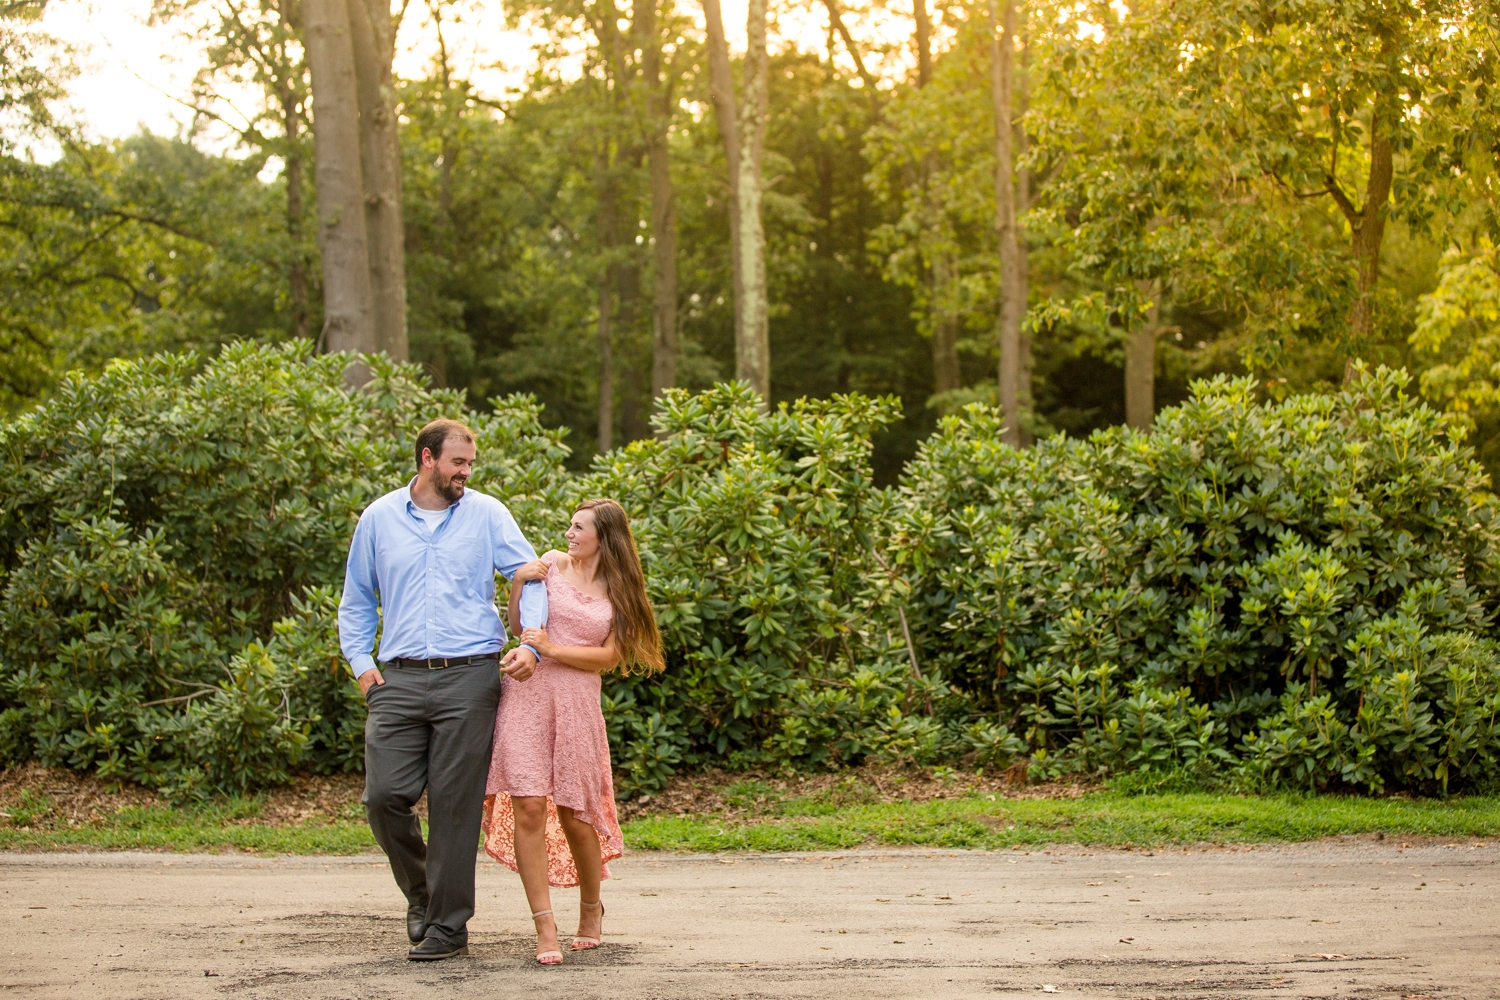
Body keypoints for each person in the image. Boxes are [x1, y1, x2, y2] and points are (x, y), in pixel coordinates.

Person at [339, 418, 548, 962]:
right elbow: (357, 598)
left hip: (470, 677)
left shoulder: (487, 513)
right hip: (398, 678)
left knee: (454, 807)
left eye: (470, 464)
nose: (466, 473)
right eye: (458, 462)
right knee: (384, 798)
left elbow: (531, 575)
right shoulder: (380, 519)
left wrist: (531, 644)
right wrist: (361, 663)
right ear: (428, 459)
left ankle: (449, 927)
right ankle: (422, 895)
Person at [482, 498, 665, 965]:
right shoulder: (551, 565)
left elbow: (609, 658)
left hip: (578, 706)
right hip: (527, 697)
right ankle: (544, 926)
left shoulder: (620, 591)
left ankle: (591, 907)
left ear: (605, 537)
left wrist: (554, 649)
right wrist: (520, 582)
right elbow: (524, 627)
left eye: (578, 527)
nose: (569, 533)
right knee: (526, 805)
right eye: (569, 525)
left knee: (576, 815)